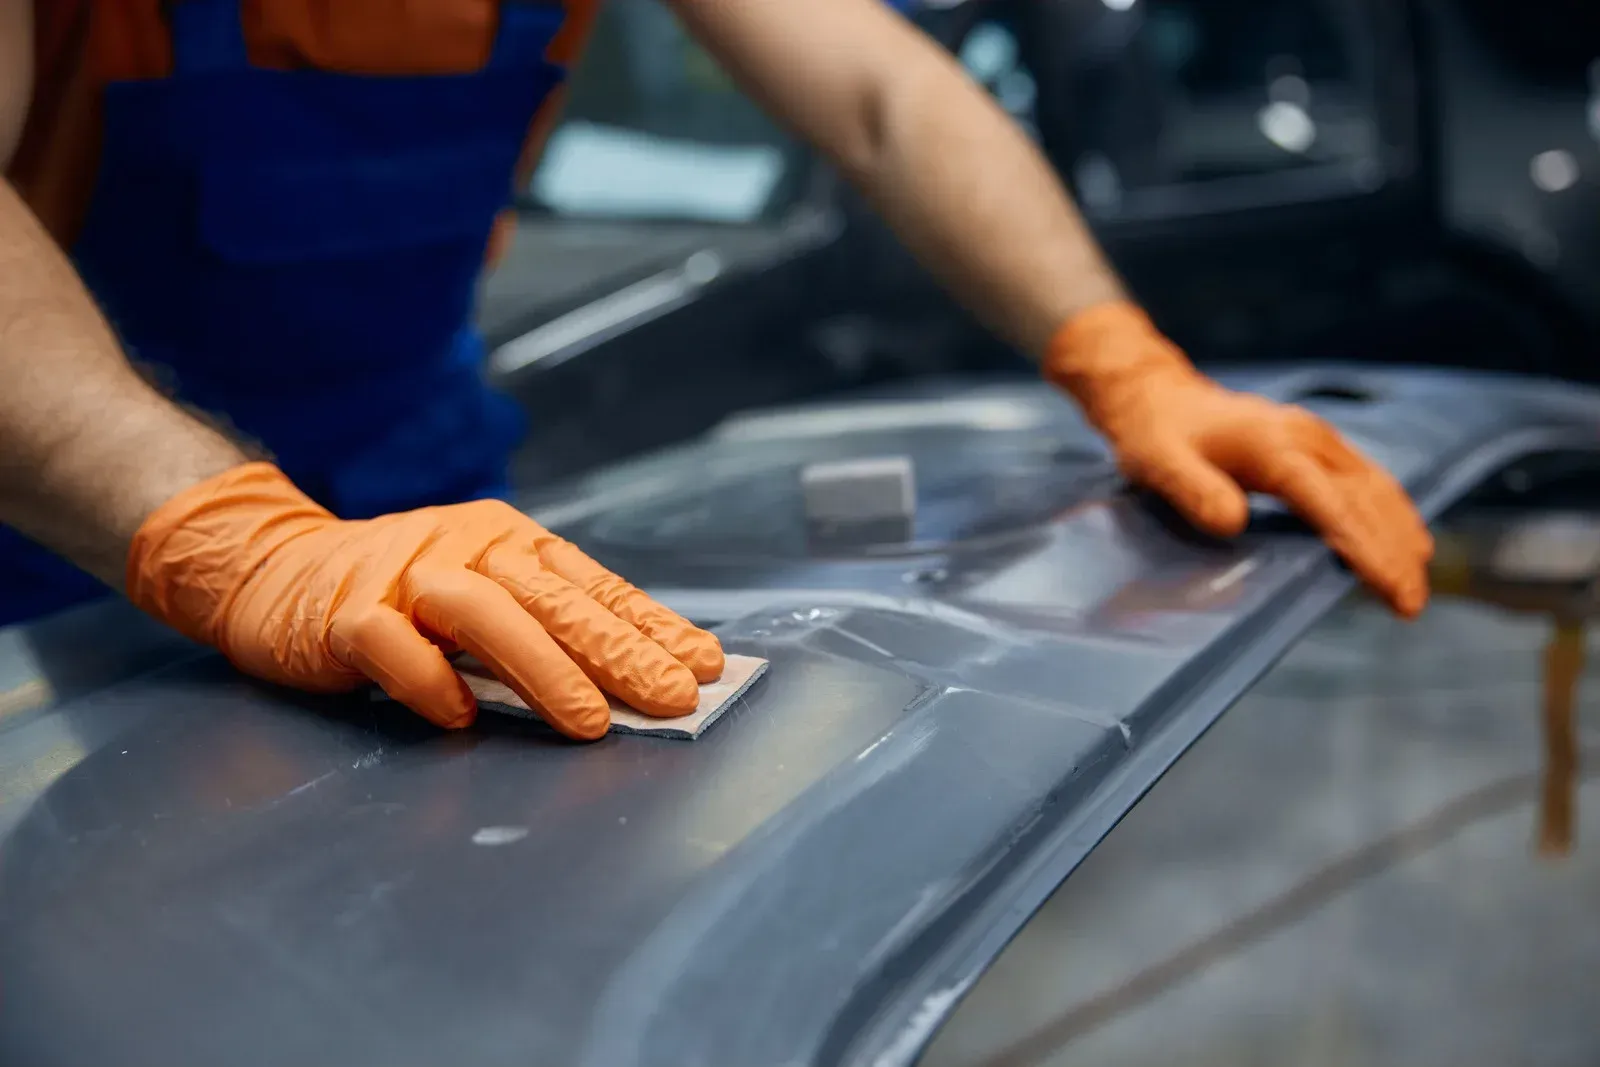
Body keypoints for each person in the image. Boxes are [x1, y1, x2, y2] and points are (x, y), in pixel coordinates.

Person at [0, 0, 1432, 741]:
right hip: (70, 569)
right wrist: (228, 539)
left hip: (439, 515)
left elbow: (883, 95)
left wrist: (1128, 364)